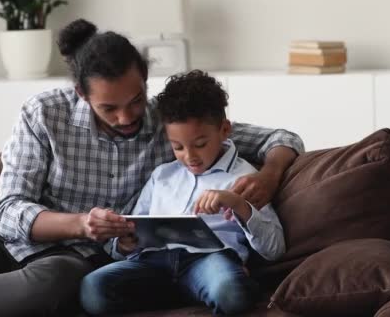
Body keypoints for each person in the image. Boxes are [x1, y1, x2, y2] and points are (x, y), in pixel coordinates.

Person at [0, 19, 304, 316]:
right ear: (81, 94)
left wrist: (266, 178)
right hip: (4, 241)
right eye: (110, 107)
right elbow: (8, 208)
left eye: (136, 99)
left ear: (145, 82)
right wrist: (81, 222)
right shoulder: (44, 114)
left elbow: (281, 138)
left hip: (71, 260)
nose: (127, 117)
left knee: (55, 284)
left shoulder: (168, 123)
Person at [80, 70, 287, 315]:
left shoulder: (245, 179)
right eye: (177, 147)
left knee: (230, 291)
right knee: (93, 287)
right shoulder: (162, 176)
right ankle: (183, 293)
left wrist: (237, 204)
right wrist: (125, 243)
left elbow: (275, 248)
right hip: (153, 263)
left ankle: (214, 286)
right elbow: (129, 233)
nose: (190, 157)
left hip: (209, 262)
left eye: (200, 144)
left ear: (224, 130)